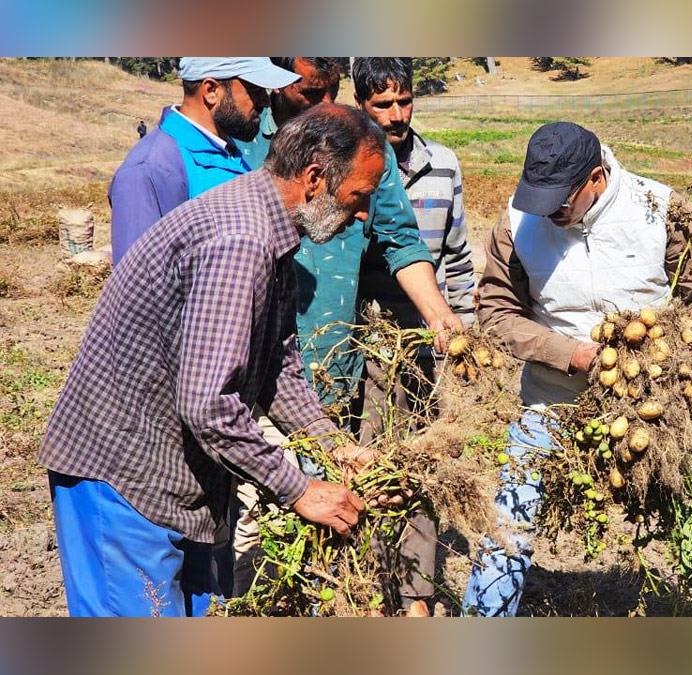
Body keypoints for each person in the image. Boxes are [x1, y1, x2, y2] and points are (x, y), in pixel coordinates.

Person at [39, 104, 385, 617]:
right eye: (359, 195)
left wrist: (335, 448)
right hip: (123, 479)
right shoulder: (240, 239)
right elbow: (208, 405)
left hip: (180, 477)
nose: (362, 214)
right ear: (315, 178)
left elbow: (277, 368)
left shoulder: (274, 233)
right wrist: (299, 489)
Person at [228, 59, 461, 610]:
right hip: (246, 375)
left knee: (332, 530)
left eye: (334, 91)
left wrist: (438, 315)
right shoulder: (239, 143)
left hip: (328, 375)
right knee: (254, 536)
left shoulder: (359, 143)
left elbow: (401, 238)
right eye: (312, 92)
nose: (325, 105)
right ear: (275, 80)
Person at [467, 121, 692, 616]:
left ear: (595, 177)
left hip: (652, 406)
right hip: (550, 400)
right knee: (508, 524)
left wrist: (683, 361)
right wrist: (571, 354)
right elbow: (496, 312)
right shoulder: (516, 223)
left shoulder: (662, 210)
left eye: (559, 202)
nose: (549, 214)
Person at [352, 58, 478, 615]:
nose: (396, 115)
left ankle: (417, 595)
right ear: (360, 106)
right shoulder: (344, 164)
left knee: (421, 465)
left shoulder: (443, 166)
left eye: (404, 101)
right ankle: (370, 584)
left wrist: (463, 340)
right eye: (382, 105)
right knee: (368, 462)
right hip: (357, 342)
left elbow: (456, 260)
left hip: (424, 341)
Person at [108, 57, 299, 265]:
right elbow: (137, 282)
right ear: (211, 91)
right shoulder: (149, 170)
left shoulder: (225, 149)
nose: (264, 101)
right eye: (254, 90)